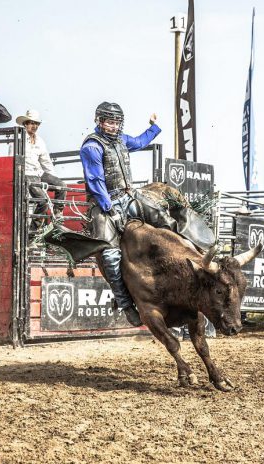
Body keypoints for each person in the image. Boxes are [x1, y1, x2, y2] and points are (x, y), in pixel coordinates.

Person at [79, 102, 161, 327]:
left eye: (117, 122)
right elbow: (95, 181)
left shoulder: (122, 140)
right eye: (110, 122)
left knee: (162, 216)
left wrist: (153, 127)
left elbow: (140, 141)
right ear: (99, 121)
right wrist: (109, 209)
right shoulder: (92, 146)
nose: (114, 126)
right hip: (103, 204)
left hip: (128, 196)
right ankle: (126, 305)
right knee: (110, 256)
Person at [9, 109, 67, 228]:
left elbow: (46, 161)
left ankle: (58, 214)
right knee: (43, 201)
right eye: (31, 123)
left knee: (61, 185)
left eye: (37, 124)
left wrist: (53, 178)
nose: (34, 126)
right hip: (25, 174)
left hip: (38, 173)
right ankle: (33, 232)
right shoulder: (17, 139)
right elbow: (11, 159)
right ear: (25, 124)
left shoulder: (40, 141)